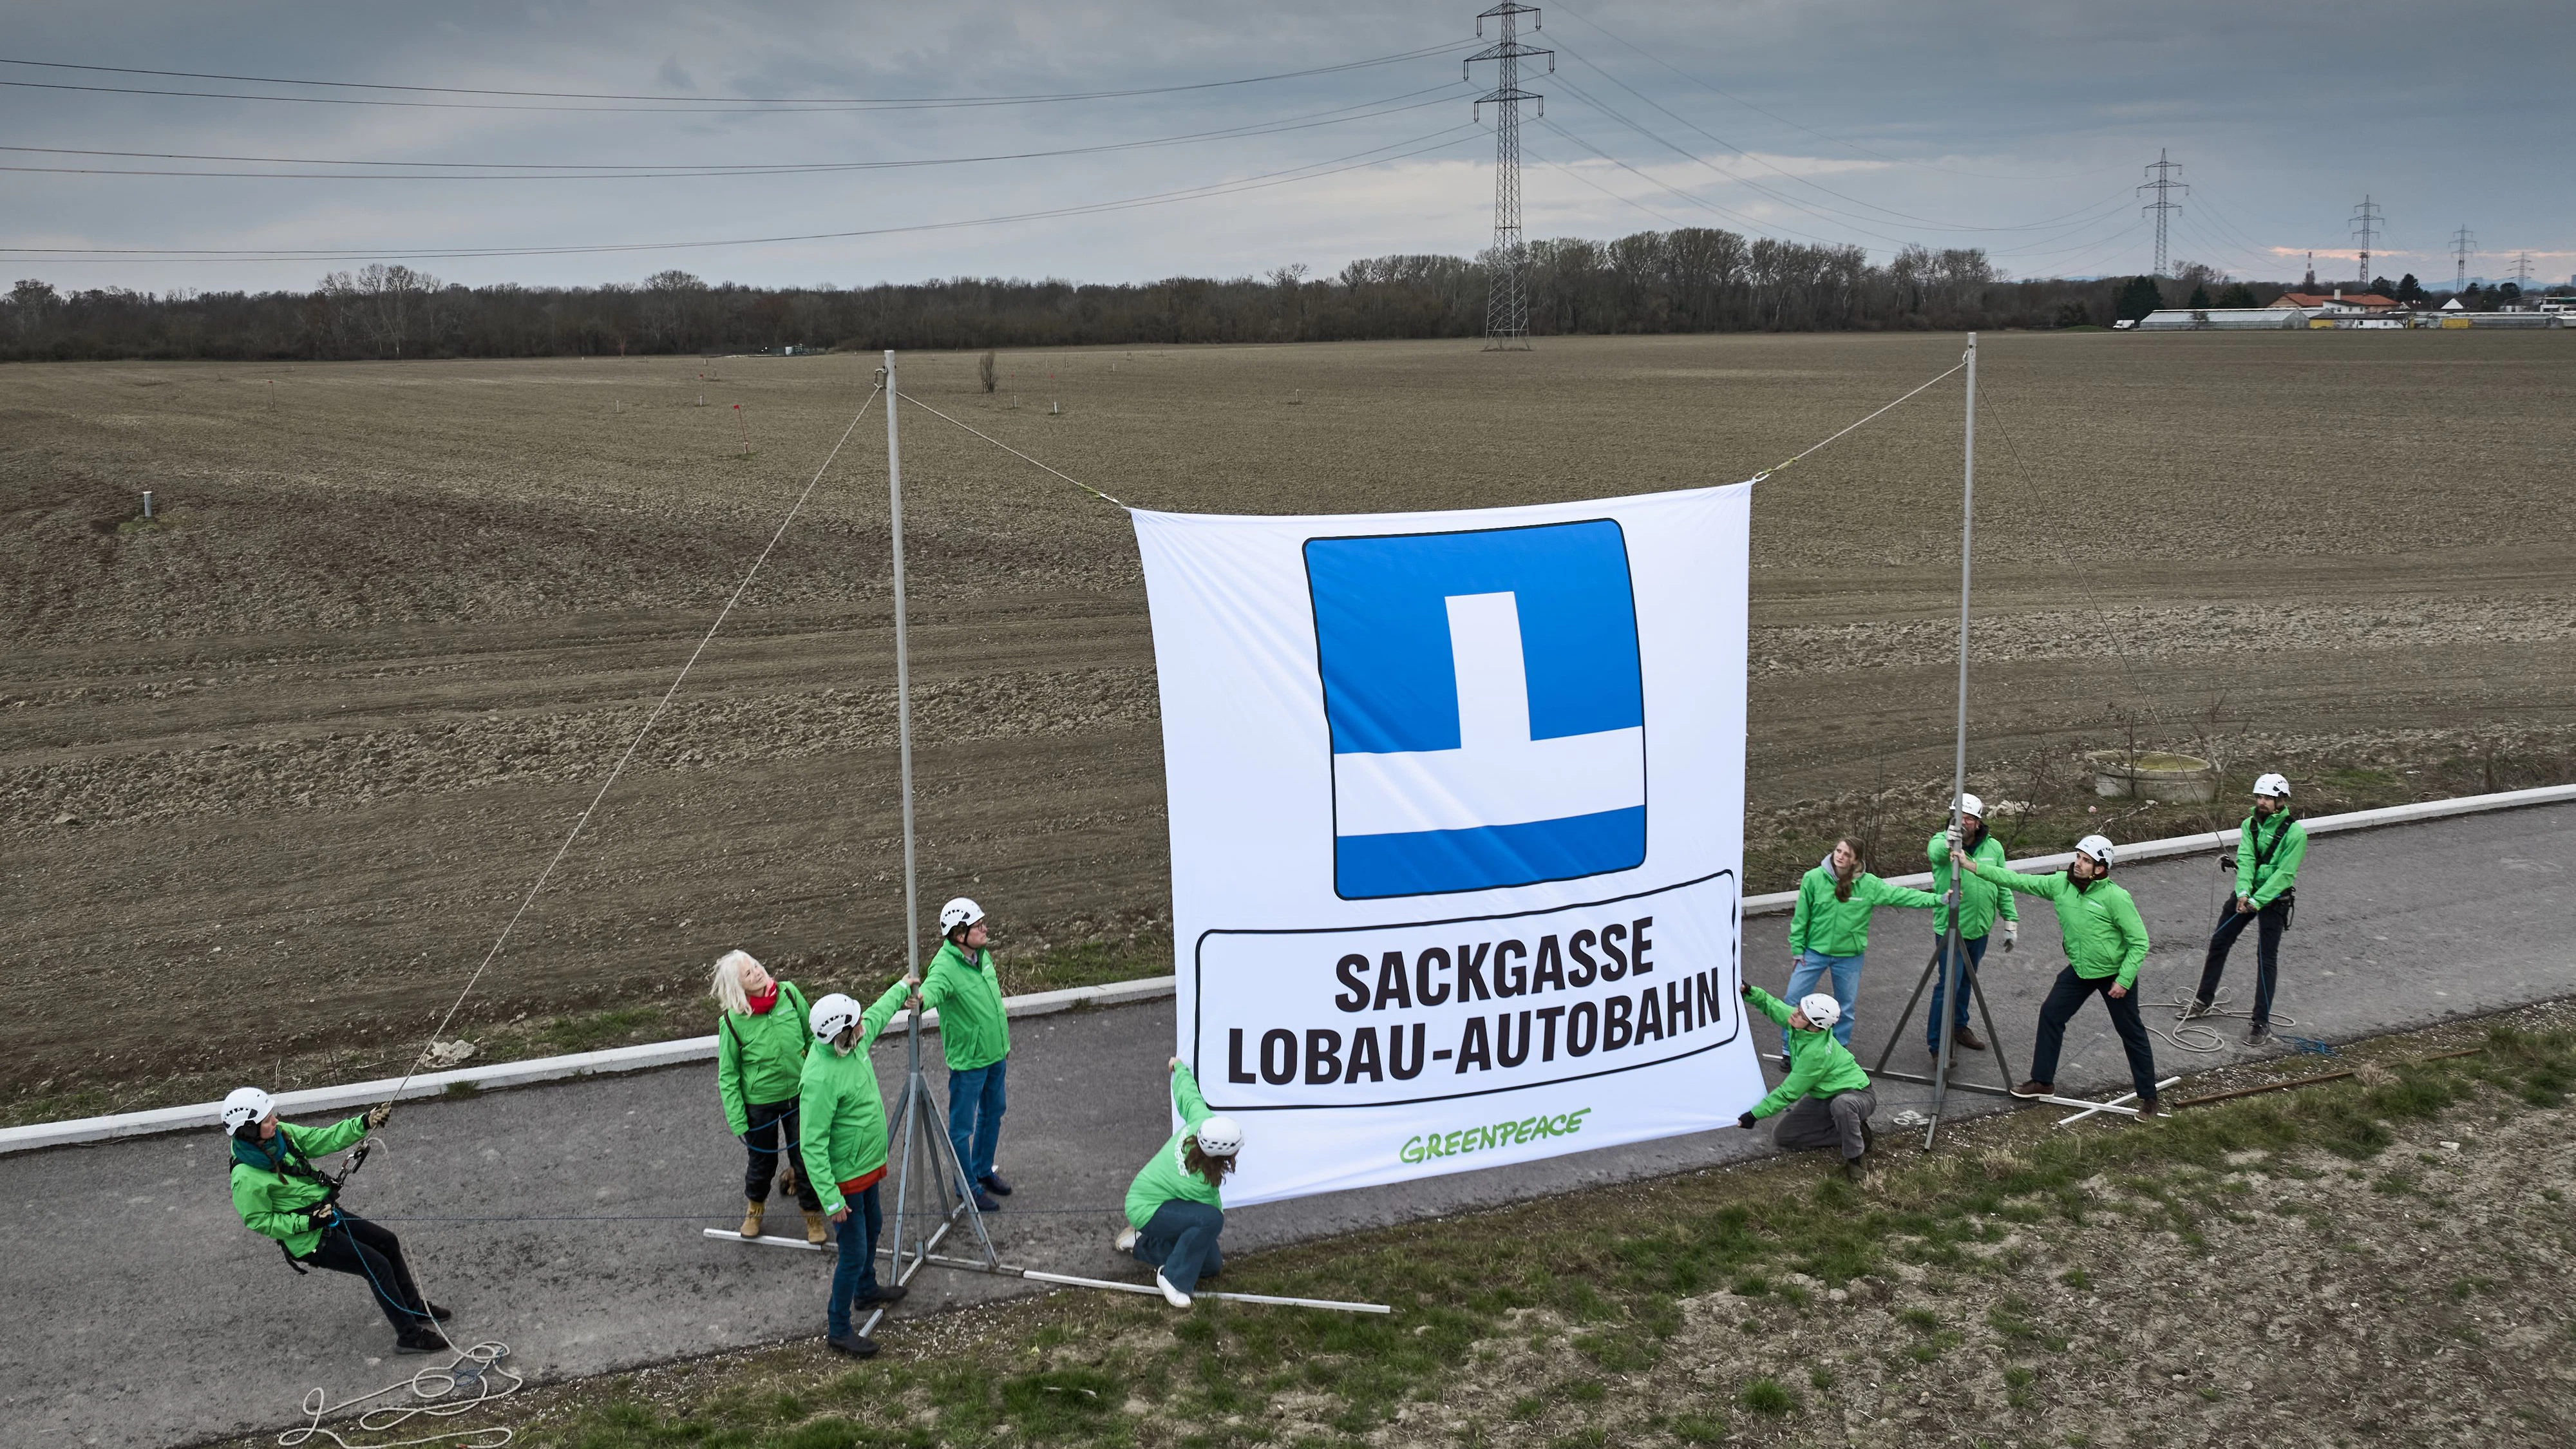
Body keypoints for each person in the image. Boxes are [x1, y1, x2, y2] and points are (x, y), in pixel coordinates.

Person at [222, 1087, 450, 1354]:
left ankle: (412, 1306)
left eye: (272, 1115)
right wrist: (306, 1222)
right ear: (248, 1130)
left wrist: (363, 1123)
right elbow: (260, 1221)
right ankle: (409, 1336)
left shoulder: (280, 1135)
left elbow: (320, 1139)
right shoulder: (245, 1178)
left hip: (326, 1215)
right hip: (309, 1239)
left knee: (388, 1243)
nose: (275, 1120)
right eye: (267, 1119)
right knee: (377, 1267)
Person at [1962, 833, 2164, 1117]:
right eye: (2078, 857)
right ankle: (2043, 1082)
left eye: (2086, 860)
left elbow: (2140, 942)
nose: (2078, 864)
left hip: (2114, 975)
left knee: (2131, 1033)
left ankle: (2149, 1098)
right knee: (2051, 1015)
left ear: (2100, 869)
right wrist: (1973, 867)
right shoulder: (2060, 884)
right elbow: (2017, 881)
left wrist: (2124, 980)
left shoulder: (2116, 898)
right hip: (2080, 970)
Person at [799, 981, 917, 1358]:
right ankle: (838, 1327)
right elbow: (812, 1145)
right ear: (841, 1036)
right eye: (857, 1024)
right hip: (845, 1181)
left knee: (875, 1225)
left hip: (867, 1168)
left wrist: (901, 989)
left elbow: (878, 1016)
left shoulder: (854, 1045)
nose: (864, 1025)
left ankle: (867, 1291)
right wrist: (831, 1201)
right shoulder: (819, 1078)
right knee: (852, 1251)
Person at [711, 949, 826, 1244]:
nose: (758, 972)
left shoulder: (789, 995)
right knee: (762, 1163)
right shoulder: (732, 1022)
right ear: (738, 987)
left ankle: (812, 1217)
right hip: (759, 1105)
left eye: (757, 966)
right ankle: (754, 1210)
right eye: (748, 973)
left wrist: (818, 1078)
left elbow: (812, 1036)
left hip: (800, 1096)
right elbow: (728, 1075)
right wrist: (737, 1120)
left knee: (806, 1159)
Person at [1783, 836, 1939, 1052]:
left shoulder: (1869, 885)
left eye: (1847, 854)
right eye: (1838, 851)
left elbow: (1902, 896)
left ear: (1856, 860)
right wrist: (1798, 950)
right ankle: (1789, 1050)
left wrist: (1938, 900)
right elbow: (1801, 918)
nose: (1840, 856)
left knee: (1844, 1008)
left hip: (1849, 956)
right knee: (1793, 1000)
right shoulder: (1813, 878)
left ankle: (1837, 1052)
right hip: (1813, 952)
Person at [907, 896, 1013, 1212]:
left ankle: (982, 1171)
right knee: (962, 1127)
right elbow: (933, 989)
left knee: (994, 1112)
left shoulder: (982, 955)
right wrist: (919, 998)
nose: (985, 928)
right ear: (959, 933)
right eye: (979, 925)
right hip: (969, 1062)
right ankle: (965, 1186)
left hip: (995, 1053)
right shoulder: (944, 966)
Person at [2187, 773, 2307, 1044]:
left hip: (2274, 899)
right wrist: (2243, 893)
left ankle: (2261, 1023)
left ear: (2281, 801)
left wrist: (2257, 901)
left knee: (2266, 958)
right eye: (2259, 797)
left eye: (2268, 798)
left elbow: (2284, 875)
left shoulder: (2296, 834)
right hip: (2248, 893)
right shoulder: (2249, 825)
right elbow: (2246, 860)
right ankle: (2204, 999)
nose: (2262, 802)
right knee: (2219, 941)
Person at [1117, 1056, 1244, 1308]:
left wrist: (1178, 1068)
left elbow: (1189, 1096)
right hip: (1145, 1208)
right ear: (1221, 1156)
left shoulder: (1201, 1122)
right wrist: (1210, 1226)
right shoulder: (1201, 1183)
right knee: (1210, 1220)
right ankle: (1172, 1278)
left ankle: (1142, 1242)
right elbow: (1211, 1215)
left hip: (1158, 1199)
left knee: (1210, 1266)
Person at [1735, 986, 1877, 1181]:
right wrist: (1748, 990)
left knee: (1842, 1106)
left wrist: (1754, 1115)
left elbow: (1788, 1093)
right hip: (1825, 1096)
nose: (1795, 1014)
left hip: (1858, 1095)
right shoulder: (1799, 1022)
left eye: (1802, 1014)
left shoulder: (1815, 1054)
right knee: (1784, 1136)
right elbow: (1772, 1005)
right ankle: (1854, 1132)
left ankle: (1856, 1157)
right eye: (1798, 1008)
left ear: (1815, 1026)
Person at [1924, 795, 2019, 1056]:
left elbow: (2002, 883)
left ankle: (1959, 1026)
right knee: (1948, 986)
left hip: (1979, 930)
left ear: (1978, 822)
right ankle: (1938, 1045)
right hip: (1951, 930)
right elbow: (1937, 854)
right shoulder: (1941, 843)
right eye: (1957, 818)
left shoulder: (1993, 848)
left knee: (1967, 982)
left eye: (1968, 819)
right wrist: (1948, 842)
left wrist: (2010, 920)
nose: (1963, 823)